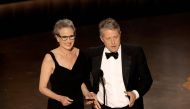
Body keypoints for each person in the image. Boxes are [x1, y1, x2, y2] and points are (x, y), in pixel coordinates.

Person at [85, 18, 153, 109]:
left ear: (120, 34)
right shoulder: (92, 54)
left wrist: (135, 94)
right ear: (101, 38)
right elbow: (83, 77)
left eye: (116, 37)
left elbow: (147, 79)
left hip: (130, 106)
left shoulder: (135, 52)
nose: (113, 42)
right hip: (101, 106)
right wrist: (91, 93)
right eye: (108, 38)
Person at [39, 18, 93, 109]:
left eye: (71, 36)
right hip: (57, 105)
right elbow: (42, 88)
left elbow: (81, 81)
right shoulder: (50, 58)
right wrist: (60, 98)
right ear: (57, 38)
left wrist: (86, 93)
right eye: (64, 37)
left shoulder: (80, 54)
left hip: (78, 105)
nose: (69, 41)